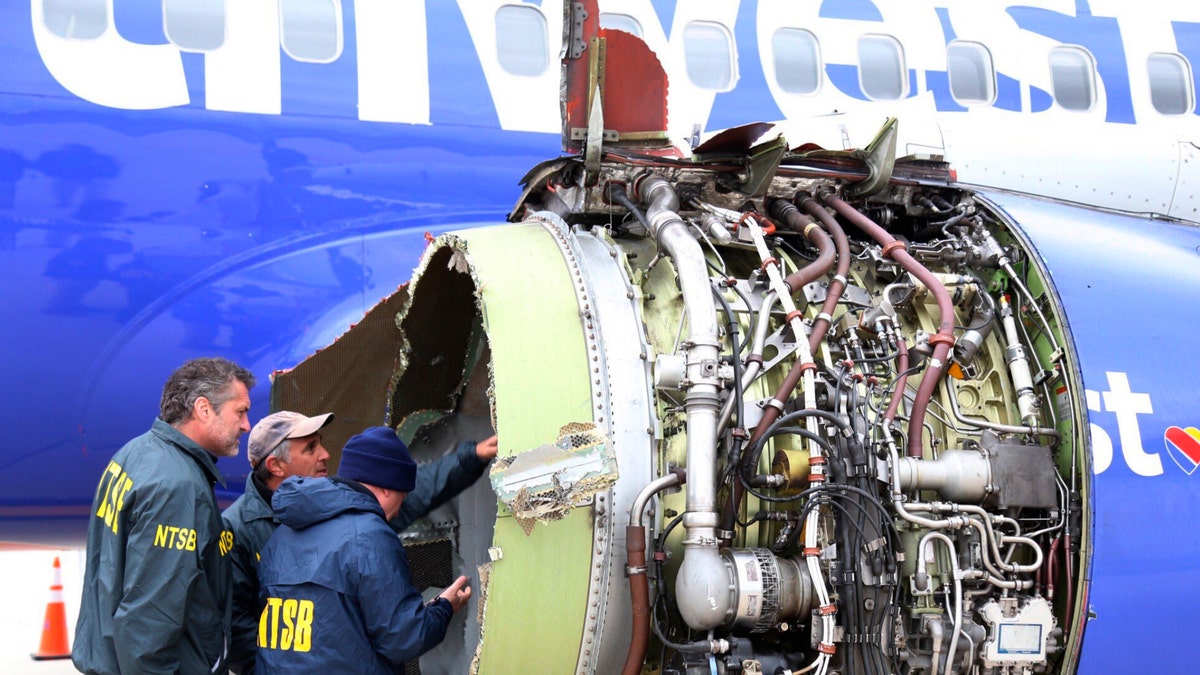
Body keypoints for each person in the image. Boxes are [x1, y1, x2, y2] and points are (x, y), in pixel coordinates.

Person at [224, 412, 497, 674]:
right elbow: (403, 638)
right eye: (310, 448)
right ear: (275, 465)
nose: (325, 455)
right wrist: (442, 608)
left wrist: (468, 458)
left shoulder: (291, 527)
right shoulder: (363, 531)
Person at [73, 357, 256, 675]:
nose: (246, 425)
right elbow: (150, 615)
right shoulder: (177, 486)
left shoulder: (136, 453)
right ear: (203, 409)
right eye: (240, 411)